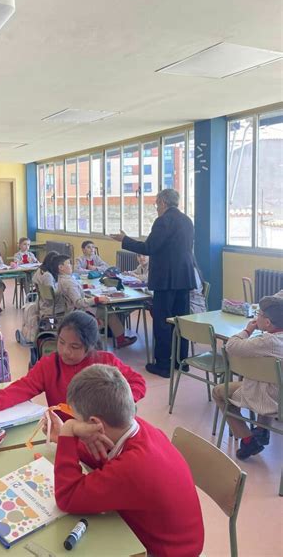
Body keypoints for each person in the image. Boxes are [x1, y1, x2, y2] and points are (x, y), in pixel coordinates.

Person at [50, 364, 204, 557]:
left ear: (95, 424)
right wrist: (67, 441)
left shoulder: (133, 467)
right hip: (173, 538)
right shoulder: (138, 428)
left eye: (76, 418)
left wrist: (68, 431)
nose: (74, 422)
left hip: (167, 552)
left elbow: (66, 497)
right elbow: (105, 459)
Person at [0, 310, 146, 420]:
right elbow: (21, 388)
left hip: (100, 436)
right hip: (64, 435)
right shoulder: (50, 364)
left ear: (90, 346)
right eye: (61, 342)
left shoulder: (105, 361)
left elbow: (138, 383)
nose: (65, 351)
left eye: (75, 347)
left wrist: (116, 404)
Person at [112, 188, 196, 377]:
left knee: (163, 322)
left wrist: (125, 240)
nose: (156, 207)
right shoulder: (187, 220)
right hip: (184, 277)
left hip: (166, 279)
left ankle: (164, 365)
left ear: (163, 203)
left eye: (156, 203)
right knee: (181, 321)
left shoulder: (163, 221)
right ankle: (181, 361)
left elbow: (149, 247)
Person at [212, 295, 283, 460]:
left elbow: (231, 346)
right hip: (278, 392)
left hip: (270, 399)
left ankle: (248, 439)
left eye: (259, 314)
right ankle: (262, 430)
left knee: (218, 392)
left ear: (267, 323)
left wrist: (247, 330)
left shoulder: (266, 342)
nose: (256, 316)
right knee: (268, 380)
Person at [52, 255, 136, 348]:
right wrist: (97, 299)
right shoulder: (69, 282)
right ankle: (120, 340)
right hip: (79, 311)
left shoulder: (62, 279)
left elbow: (73, 290)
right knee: (110, 313)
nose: (71, 265)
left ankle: (113, 335)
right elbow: (79, 302)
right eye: (68, 263)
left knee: (103, 307)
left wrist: (85, 287)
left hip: (71, 310)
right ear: (61, 267)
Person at [32, 251, 64, 319]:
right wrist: (63, 288)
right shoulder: (47, 276)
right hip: (50, 305)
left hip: (42, 302)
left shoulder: (40, 270)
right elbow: (52, 294)